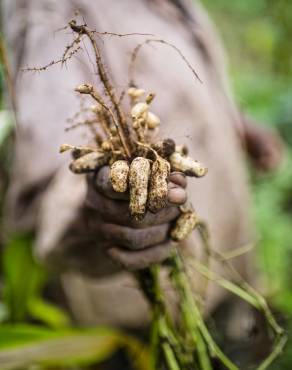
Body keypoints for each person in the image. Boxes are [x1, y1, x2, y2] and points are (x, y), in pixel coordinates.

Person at [2, 0, 282, 364]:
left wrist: (233, 121)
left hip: (224, 279)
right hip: (135, 329)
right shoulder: (45, 9)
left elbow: (186, 72)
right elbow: (51, 171)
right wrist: (98, 213)